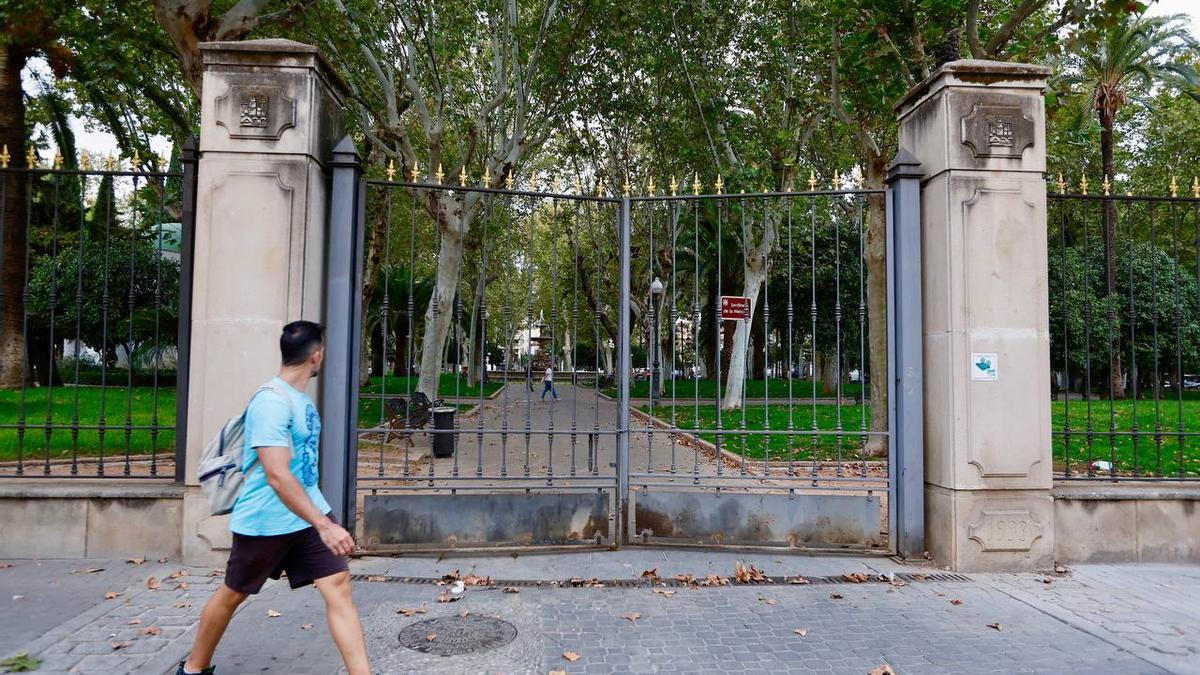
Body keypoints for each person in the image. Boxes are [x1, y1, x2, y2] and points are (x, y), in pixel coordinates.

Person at [177, 321, 371, 675]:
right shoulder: (271, 402)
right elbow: (277, 475)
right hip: (266, 521)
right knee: (233, 593)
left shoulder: (299, 399)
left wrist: (318, 519)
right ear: (317, 356)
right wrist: (324, 525)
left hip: (306, 515)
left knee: (338, 585)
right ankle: (192, 669)